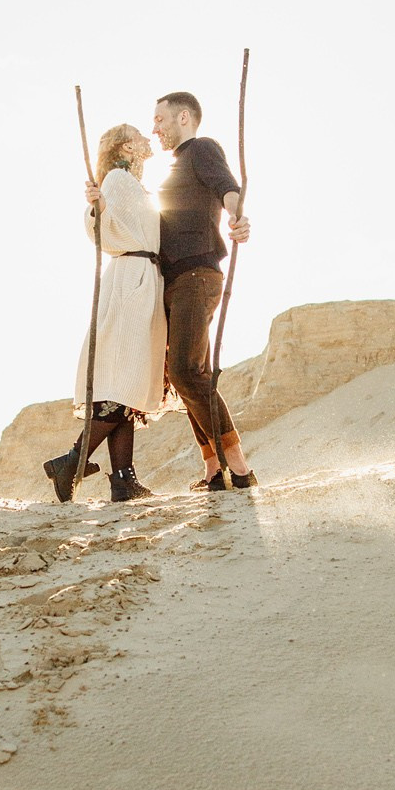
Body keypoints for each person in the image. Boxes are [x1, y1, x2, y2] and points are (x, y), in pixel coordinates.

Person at [44, 123, 168, 504]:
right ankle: (72, 462)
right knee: (122, 381)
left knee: (123, 386)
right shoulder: (116, 178)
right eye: (139, 135)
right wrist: (97, 206)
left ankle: (123, 480)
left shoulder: (129, 182)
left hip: (141, 278)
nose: (148, 138)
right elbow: (100, 223)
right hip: (132, 282)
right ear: (125, 145)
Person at [150, 90, 256, 491]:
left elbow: (227, 187)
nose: (154, 127)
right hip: (176, 280)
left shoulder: (201, 149)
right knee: (186, 374)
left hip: (196, 274)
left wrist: (238, 217)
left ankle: (239, 466)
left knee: (185, 370)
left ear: (182, 118)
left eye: (159, 119)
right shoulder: (176, 167)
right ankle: (212, 468)